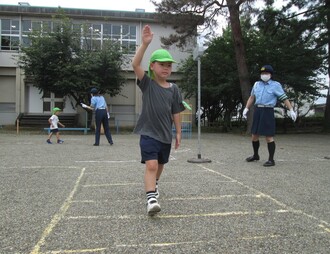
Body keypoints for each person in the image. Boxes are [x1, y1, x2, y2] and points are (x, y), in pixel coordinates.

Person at [132, 25, 185, 215]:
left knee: (160, 165)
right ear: (152, 66)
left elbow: (176, 111)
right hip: (148, 132)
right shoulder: (147, 84)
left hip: (165, 135)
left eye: (169, 65)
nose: (166, 68)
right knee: (151, 165)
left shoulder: (174, 89)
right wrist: (145, 44)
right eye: (162, 64)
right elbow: (135, 65)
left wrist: (178, 132)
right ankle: (151, 199)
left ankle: (154, 184)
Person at [243, 65, 297, 167]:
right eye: (262, 73)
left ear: (271, 75)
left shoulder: (275, 85)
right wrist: (246, 108)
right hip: (258, 109)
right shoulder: (256, 84)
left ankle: (271, 160)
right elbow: (251, 97)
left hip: (268, 110)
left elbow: (284, 98)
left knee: (269, 136)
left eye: (266, 73)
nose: (264, 75)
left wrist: (291, 110)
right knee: (254, 135)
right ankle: (255, 155)